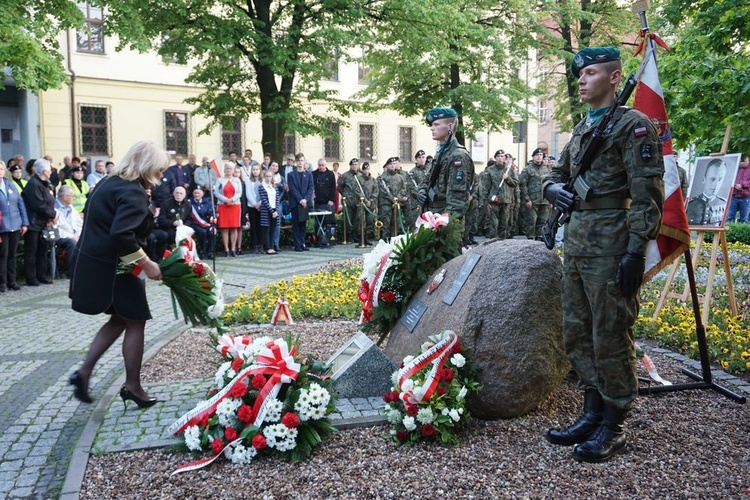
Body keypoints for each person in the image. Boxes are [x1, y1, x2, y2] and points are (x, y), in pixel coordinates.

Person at [542, 47, 664, 463]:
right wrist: (550, 189)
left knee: (610, 333)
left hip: (612, 243)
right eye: (580, 74)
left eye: (590, 73)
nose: (581, 80)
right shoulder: (581, 129)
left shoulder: (634, 127)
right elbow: (557, 175)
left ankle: (614, 423)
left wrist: (635, 252)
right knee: (577, 330)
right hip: (576, 243)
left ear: (614, 78)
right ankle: (591, 413)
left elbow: (648, 196)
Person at [68, 140, 168, 408]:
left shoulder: (109, 182)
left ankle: (84, 371)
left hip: (96, 263)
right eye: (159, 170)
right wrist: (147, 264)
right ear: (146, 166)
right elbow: (122, 235)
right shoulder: (133, 192)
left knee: (119, 319)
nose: (162, 175)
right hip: (117, 267)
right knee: (136, 320)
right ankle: (133, 386)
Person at [416, 108, 475, 226]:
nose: (432, 128)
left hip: (444, 221)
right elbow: (428, 179)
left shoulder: (458, 156)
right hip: (432, 215)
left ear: (449, 126)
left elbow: (457, 199)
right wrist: (422, 190)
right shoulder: (441, 153)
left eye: (436, 124)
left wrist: (445, 223)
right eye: (432, 125)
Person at [22, 158, 58, 286]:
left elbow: (49, 201)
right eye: (50, 169)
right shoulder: (33, 184)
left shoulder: (45, 183)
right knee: (32, 251)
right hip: (33, 223)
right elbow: (39, 205)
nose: (51, 171)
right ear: (44, 171)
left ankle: (41, 275)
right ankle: (31, 278)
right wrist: (53, 215)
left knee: (42, 250)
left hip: (43, 222)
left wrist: (49, 218)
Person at [0, 161, 29, 292]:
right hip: (2, 226)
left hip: (15, 224)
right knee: (3, 255)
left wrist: (24, 223)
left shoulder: (10, 184)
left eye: (1, 169)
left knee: (12, 254)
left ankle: (12, 281)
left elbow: (20, 204)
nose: (0, 171)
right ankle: (2, 283)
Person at [152, 186, 193, 260]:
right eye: (177, 193)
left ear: (185, 195)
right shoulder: (166, 203)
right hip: (168, 228)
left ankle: (186, 257)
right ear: (173, 193)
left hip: (182, 228)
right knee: (169, 235)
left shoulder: (188, 204)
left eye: (181, 193)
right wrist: (173, 223)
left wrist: (183, 225)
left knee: (189, 235)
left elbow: (189, 219)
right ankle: (165, 257)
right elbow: (161, 220)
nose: (179, 195)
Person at [520, 148, 552, 240]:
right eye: (537, 155)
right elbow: (523, 185)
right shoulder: (528, 169)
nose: (539, 157)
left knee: (542, 221)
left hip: (544, 200)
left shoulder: (547, 170)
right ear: (533, 157)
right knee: (531, 222)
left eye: (541, 155)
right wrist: (527, 199)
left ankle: (539, 239)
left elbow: (549, 184)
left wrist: (550, 199)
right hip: (532, 200)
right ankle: (530, 240)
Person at [484, 150, 517, 239]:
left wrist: (508, 178)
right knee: (494, 225)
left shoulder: (509, 170)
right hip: (493, 200)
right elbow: (485, 187)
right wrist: (485, 202)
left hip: (506, 201)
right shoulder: (490, 170)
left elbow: (515, 183)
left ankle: (502, 244)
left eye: (502, 156)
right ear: (495, 158)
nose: (500, 158)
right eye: (498, 156)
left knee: (504, 225)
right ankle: (492, 244)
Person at [686, 158, 728, 226]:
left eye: (720, 180)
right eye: (712, 179)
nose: (716, 184)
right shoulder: (691, 204)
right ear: (704, 179)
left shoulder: (724, 204)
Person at [214, 162, 243, 257]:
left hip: (235, 205)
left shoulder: (237, 180)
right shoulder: (219, 180)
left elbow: (239, 193)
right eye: (227, 168)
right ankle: (226, 249)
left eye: (231, 169)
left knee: (234, 227)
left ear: (233, 170)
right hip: (223, 205)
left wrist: (232, 199)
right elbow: (216, 193)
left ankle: (233, 249)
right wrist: (226, 200)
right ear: (224, 170)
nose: (229, 171)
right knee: (224, 228)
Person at [54, 185, 83, 276]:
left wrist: (79, 235)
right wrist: (72, 237)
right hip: (60, 236)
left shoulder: (71, 208)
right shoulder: (54, 208)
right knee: (72, 243)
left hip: (74, 236)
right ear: (65, 197)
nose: (74, 198)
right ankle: (72, 272)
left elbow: (79, 223)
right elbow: (56, 228)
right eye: (72, 196)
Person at [287, 153, 314, 251]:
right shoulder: (291, 175)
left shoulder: (309, 174)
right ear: (295, 162)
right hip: (295, 202)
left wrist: (305, 199)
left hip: (305, 203)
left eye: (302, 160)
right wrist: (300, 200)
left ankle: (302, 243)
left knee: (303, 224)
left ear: (304, 161)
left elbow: (311, 188)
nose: (300, 162)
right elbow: (292, 188)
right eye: (298, 161)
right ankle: (297, 244)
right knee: (296, 225)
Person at [378, 157, 408, 240]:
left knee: (396, 224)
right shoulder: (382, 177)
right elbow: (383, 191)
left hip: (396, 204)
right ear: (387, 165)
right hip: (386, 204)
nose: (392, 166)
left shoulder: (400, 177)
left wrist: (397, 198)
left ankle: (394, 241)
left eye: (394, 164)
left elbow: (403, 188)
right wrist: (392, 199)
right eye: (390, 164)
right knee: (386, 224)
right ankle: (385, 242)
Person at [338, 158, 366, 243]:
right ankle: (348, 236)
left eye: (356, 165)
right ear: (350, 166)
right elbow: (340, 187)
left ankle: (355, 235)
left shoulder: (361, 175)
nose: (354, 166)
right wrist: (345, 195)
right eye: (353, 165)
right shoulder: (345, 175)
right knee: (348, 219)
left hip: (358, 201)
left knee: (357, 219)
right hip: (348, 202)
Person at [312, 158, 336, 247]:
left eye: (322, 165)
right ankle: (318, 239)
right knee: (317, 221)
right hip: (317, 201)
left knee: (327, 221)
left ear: (325, 165)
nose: (321, 167)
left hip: (327, 202)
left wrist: (331, 199)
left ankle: (328, 239)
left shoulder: (330, 174)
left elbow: (333, 188)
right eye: (319, 165)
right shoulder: (313, 174)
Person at [189, 188, 216, 259]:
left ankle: (211, 252)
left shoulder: (207, 202)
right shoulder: (189, 202)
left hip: (206, 223)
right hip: (194, 224)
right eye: (195, 193)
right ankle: (202, 251)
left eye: (198, 193)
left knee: (212, 231)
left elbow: (212, 215)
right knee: (202, 232)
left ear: (202, 194)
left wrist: (213, 226)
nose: (197, 195)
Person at [258, 170, 280, 254]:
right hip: (266, 211)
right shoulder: (261, 186)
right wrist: (271, 211)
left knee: (272, 229)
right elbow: (264, 200)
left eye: (269, 176)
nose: (268, 178)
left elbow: (277, 199)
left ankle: (272, 246)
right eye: (266, 176)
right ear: (264, 177)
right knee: (266, 229)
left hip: (275, 211)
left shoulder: (274, 186)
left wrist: (276, 211)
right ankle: (267, 248)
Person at [245, 164, 263, 254]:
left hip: (261, 206)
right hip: (252, 206)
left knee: (261, 226)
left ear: (260, 171)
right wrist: (254, 204)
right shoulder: (248, 181)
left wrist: (259, 204)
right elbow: (248, 193)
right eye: (254, 169)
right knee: (254, 226)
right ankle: (255, 245)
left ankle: (261, 244)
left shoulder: (262, 181)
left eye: (257, 169)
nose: (255, 171)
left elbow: (264, 194)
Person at [726, 155, 750, 223]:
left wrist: (742, 185)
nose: (742, 162)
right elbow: (728, 178)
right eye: (741, 161)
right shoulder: (734, 168)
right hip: (733, 196)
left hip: (746, 197)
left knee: (745, 219)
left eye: (744, 160)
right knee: (729, 218)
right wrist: (734, 184)